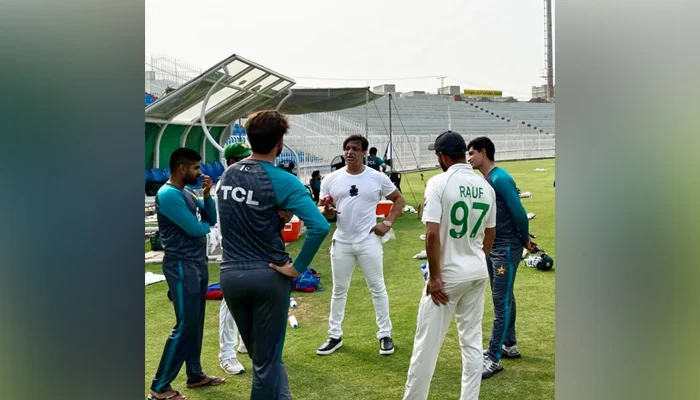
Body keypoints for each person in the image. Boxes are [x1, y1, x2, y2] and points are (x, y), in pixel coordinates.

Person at [217, 110, 330, 399]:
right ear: (280, 143)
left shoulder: (228, 174)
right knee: (265, 363)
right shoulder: (284, 180)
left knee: (263, 356)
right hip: (268, 276)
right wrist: (297, 268)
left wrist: (275, 217)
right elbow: (318, 226)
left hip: (230, 276)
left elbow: (238, 216)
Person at [402, 131, 496, 400]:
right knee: (472, 342)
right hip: (477, 271)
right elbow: (490, 234)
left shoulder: (438, 182)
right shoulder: (485, 186)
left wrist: (434, 277)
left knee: (426, 346)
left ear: (442, 156)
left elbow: (432, 234)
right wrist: (478, 258)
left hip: (448, 276)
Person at [316, 134, 405, 356]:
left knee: (377, 287)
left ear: (364, 152)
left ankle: (385, 334)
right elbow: (321, 210)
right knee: (339, 290)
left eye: (355, 148)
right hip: (342, 241)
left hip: (368, 240)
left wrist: (387, 223)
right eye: (347, 148)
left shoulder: (376, 177)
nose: (350, 152)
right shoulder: (331, 179)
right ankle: (334, 335)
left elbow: (399, 200)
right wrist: (326, 210)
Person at [149, 148, 226, 400]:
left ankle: (194, 374)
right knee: (185, 325)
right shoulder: (168, 194)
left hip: (196, 263)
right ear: (182, 168)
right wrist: (204, 226)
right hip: (181, 265)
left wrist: (206, 195)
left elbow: (211, 218)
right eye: (195, 168)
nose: (199, 172)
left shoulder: (186, 193)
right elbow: (196, 228)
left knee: (195, 322)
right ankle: (159, 386)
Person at [466, 136, 535, 379]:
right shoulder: (485, 180)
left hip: (505, 248)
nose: (469, 158)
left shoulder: (500, 178)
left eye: (472, 153)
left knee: (500, 302)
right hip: (493, 246)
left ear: (483, 152)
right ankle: (509, 345)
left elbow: (519, 212)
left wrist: (525, 239)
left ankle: (494, 358)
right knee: (505, 297)